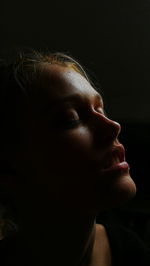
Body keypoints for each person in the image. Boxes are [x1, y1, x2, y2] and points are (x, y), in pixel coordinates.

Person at [0, 49, 149, 266]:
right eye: (70, 119)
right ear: (8, 168)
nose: (113, 126)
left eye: (101, 109)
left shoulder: (132, 252)